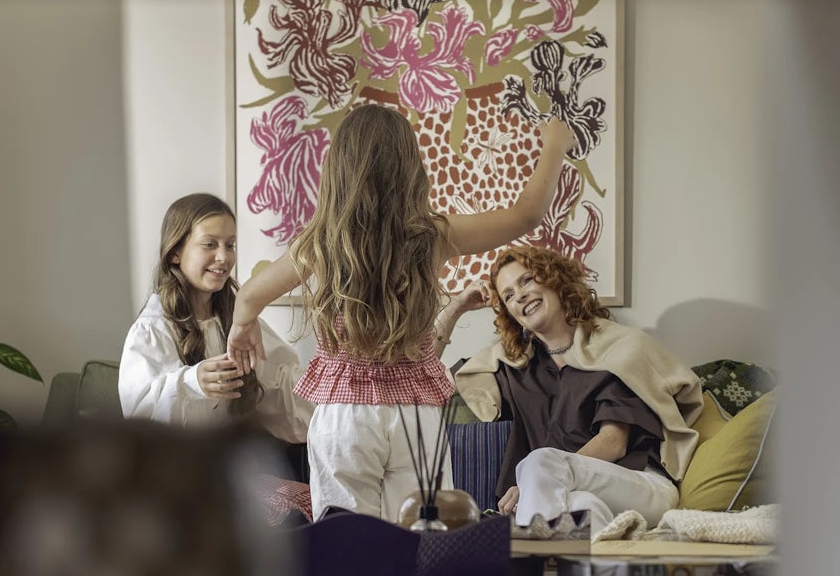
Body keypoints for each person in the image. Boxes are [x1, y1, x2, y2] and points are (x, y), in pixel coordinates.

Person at [227, 104, 575, 521]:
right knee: (420, 543)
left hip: (344, 416)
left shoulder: (320, 242)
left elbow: (247, 297)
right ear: (411, 168)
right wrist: (555, 145)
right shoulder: (434, 235)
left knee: (348, 549)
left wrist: (242, 328)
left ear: (338, 169)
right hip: (414, 417)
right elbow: (527, 214)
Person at [451, 245, 703, 530]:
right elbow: (420, 379)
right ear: (509, 312)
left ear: (554, 277)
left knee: (539, 463)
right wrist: (457, 307)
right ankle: (582, 565)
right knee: (583, 510)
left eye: (527, 280)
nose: (519, 294)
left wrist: (533, 483)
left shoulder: (615, 349)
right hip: (572, 495)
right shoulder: (515, 368)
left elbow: (614, 442)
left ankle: (524, 565)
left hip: (642, 485)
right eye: (508, 295)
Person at [119, 192, 312, 443]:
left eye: (230, 245)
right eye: (210, 244)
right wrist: (193, 383)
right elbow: (139, 414)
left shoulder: (240, 325)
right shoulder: (152, 329)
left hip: (225, 467)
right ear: (175, 252)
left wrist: (333, 385)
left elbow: (282, 388)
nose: (224, 257)